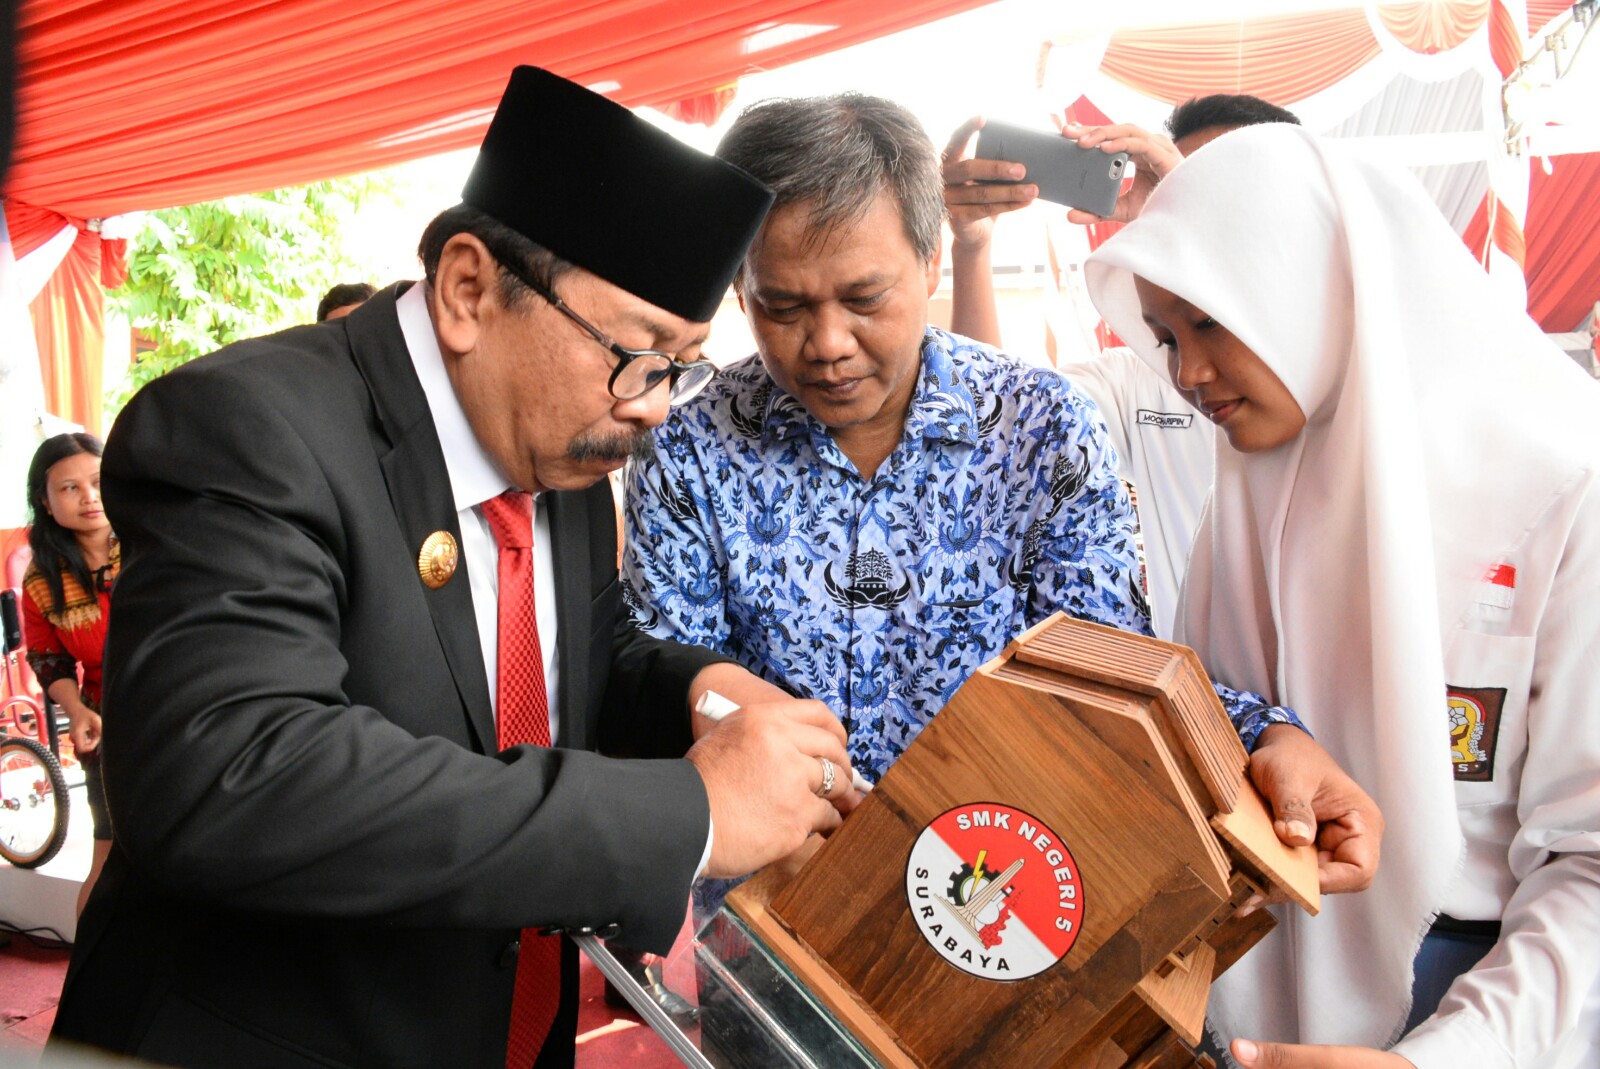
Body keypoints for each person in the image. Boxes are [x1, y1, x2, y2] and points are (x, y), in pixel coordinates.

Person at [48, 66, 860, 1069]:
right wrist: (687, 814)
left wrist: (696, 693)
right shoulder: (246, 429)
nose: (653, 404)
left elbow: (562, 658)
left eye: (678, 366)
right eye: (637, 353)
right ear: (470, 289)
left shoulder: (560, 448)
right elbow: (238, 767)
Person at [622, 93, 1379, 909]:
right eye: (784, 306)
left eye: (864, 298)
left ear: (931, 262)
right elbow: (663, 680)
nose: (828, 343)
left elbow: (1112, 673)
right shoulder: (687, 445)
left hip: (998, 908)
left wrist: (1270, 734)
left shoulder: (1044, 431)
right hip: (766, 917)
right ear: (740, 288)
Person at [1085, 123, 1600, 1069]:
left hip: (1482, 1005)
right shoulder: (1253, 482)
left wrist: (1442, 1059)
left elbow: (1590, 861)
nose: (1189, 374)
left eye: (1213, 322)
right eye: (1165, 335)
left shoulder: (1563, 481)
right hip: (1251, 998)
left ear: (1312, 286)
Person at [941, 94, 1300, 637]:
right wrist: (971, 249)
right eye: (1173, 189)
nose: (1192, 376)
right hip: (1201, 708)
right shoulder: (1142, 381)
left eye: (1213, 191)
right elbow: (992, 420)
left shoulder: (1369, 382)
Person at [20, 431, 117, 915]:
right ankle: (87, 982)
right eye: (70, 488)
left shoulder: (161, 543)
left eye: (98, 482)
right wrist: (77, 709)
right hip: (107, 722)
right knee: (109, 851)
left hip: (190, 710)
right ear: (45, 499)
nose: (90, 498)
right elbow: (48, 658)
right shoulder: (42, 579)